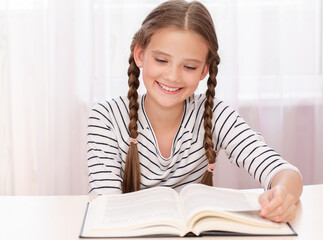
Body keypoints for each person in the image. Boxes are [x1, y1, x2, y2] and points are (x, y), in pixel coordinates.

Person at [87, 0, 303, 223]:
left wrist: (283, 194)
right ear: (140, 55)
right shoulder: (106, 118)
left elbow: (282, 171)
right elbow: (106, 204)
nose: (172, 76)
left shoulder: (216, 114)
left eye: (189, 67)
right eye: (161, 60)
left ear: (204, 70)